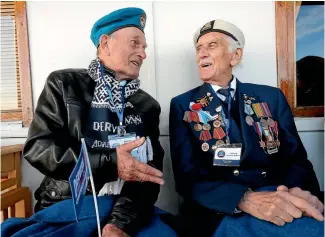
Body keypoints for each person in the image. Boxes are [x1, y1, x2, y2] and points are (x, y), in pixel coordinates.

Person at [2, 7, 178, 237]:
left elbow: (149, 174)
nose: (143, 54)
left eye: (144, 47)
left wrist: (119, 224)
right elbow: (39, 149)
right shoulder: (64, 84)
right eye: (135, 43)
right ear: (105, 44)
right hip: (69, 206)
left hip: (125, 210)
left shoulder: (147, 105)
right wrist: (109, 163)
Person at [169, 19, 324, 237]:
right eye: (199, 48)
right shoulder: (183, 104)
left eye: (212, 46)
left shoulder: (270, 97)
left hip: (278, 195)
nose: (201, 54)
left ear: (236, 55)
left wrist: (297, 192)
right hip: (223, 208)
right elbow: (187, 178)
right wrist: (242, 199)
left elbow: (296, 159)